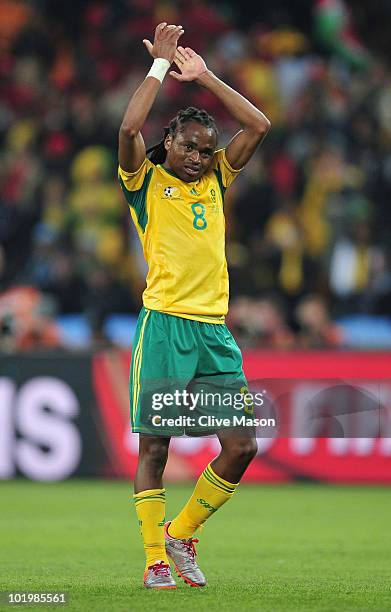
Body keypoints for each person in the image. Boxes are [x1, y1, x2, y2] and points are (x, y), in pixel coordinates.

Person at [118, 22, 271, 590]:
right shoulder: (145, 182)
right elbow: (130, 125)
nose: (200, 158)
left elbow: (258, 124)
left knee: (242, 445)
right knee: (155, 445)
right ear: (171, 144)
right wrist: (160, 68)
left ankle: (182, 533)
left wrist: (206, 77)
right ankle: (155, 557)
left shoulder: (218, 181)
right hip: (164, 325)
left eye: (208, 151)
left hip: (213, 332)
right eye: (190, 147)